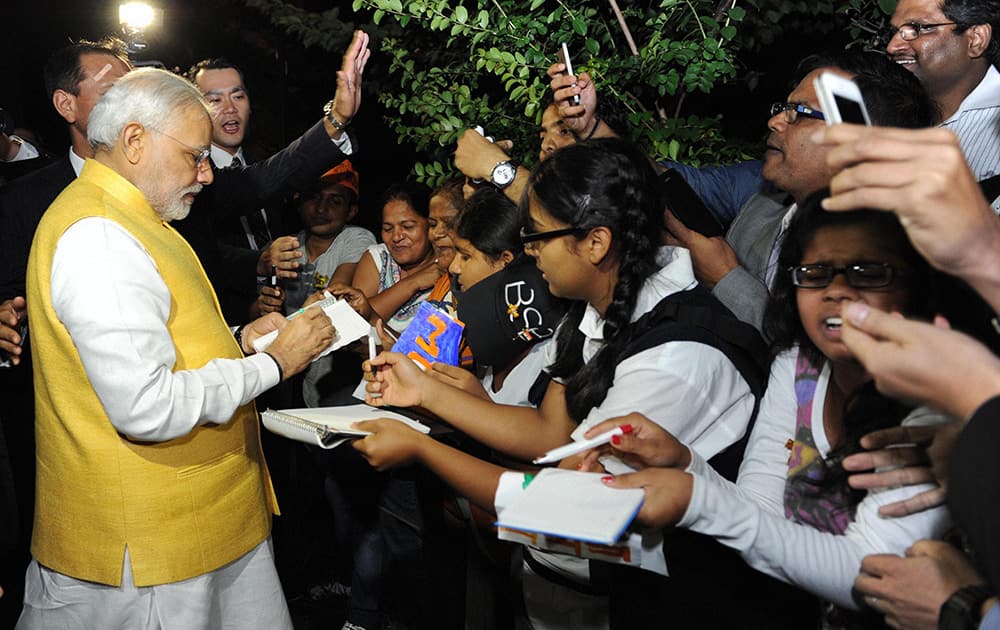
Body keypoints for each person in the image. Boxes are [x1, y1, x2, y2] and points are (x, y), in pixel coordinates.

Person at [357, 138, 762, 628]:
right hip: (562, 589)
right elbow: (550, 430)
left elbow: (567, 506)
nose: (530, 254)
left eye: (540, 237)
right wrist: (426, 391)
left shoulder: (675, 358)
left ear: (596, 242)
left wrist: (422, 450)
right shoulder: (593, 311)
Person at [17, 67, 335, 629]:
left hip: (198, 529)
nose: (207, 175)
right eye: (195, 155)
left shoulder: (135, 217)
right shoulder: (100, 236)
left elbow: (156, 348)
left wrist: (239, 340)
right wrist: (273, 363)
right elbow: (147, 406)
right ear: (135, 141)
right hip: (149, 554)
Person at [594, 193, 950, 625]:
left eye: (867, 273)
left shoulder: (938, 401)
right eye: (816, 273)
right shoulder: (799, 365)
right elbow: (760, 509)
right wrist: (684, 463)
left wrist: (696, 499)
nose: (836, 291)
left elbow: (873, 570)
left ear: (911, 287)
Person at [662, 51, 937, 333]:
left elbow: (811, 358)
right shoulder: (762, 207)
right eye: (784, 108)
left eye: (799, 113)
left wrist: (724, 278)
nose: (776, 121)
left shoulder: (891, 256)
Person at [886, 0, 1000, 188]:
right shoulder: (892, 112)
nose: (892, 47)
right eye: (894, 32)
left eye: (918, 28)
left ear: (976, 39)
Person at [351, 182, 438, 333]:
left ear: (431, 226)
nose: (396, 237)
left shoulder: (449, 268)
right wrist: (413, 283)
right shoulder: (378, 257)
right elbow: (354, 322)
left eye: (408, 227)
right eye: (388, 229)